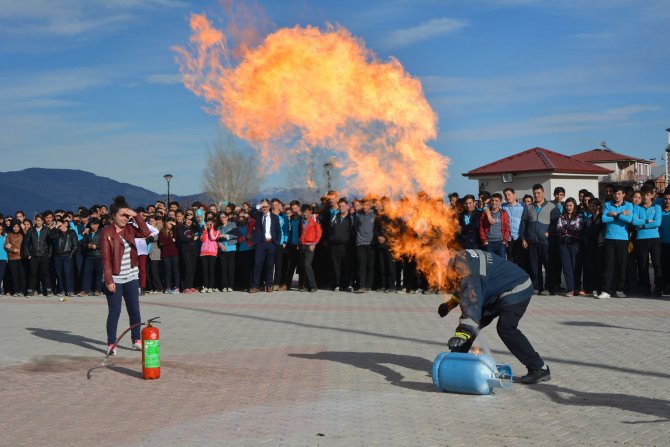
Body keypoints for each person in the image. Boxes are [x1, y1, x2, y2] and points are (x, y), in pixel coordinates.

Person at [439, 249, 550, 384]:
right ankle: (456, 360)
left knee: (506, 328)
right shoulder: (463, 258)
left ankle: (539, 368)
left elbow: (471, 302)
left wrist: (461, 334)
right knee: (474, 324)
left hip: (517, 288)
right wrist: (450, 304)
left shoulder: (469, 270)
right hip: (498, 291)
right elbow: (465, 287)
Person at [101, 196, 151, 355]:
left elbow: (146, 232)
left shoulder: (130, 229)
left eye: (126, 216)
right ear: (113, 216)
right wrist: (109, 280)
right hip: (115, 278)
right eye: (122, 215)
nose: (125, 218)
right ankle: (111, 343)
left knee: (134, 310)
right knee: (115, 311)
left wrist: (135, 215)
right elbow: (106, 259)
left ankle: (136, 339)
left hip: (131, 276)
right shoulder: (106, 233)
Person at [518, 184, 559, 295]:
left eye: (538, 193)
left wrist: (549, 232)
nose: (536, 195)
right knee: (534, 267)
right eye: (535, 193)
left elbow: (556, 223)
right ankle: (537, 287)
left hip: (546, 243)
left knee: (548, 266)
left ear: (543, 193)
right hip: (532, 242)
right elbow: (524, 223)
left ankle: (549, 288)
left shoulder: (551, 206)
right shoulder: (529, 207)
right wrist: (523, 238)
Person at [600, 185, 633, 299]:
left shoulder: (629, 205)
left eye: (619, 193)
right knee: (609, 265)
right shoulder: (608, 204)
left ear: (623, 194)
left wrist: (615, 214)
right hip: (609, 238)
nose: (617, 196)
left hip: (623, 239)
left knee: (622, 265)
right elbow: (604, 219)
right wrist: (618, 215)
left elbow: (629, 220)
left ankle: (620, 289)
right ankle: (607, 290)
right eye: (615, 194)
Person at [632, 185, 662, 296]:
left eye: (647, 195)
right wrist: (647, 221)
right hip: (641, 239)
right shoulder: (636, 208)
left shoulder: (657, 207)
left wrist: (642, 225)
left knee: (657, 264)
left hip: (655, 239)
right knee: (642, 265)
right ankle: (646, 287)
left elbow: (657, 223)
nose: (645, 197)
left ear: (652, 195)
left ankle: (658, 288)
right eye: (643, 195)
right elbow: (634, 222)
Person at [249, 199, 281, 293]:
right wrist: (259, 205)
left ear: (269, 207)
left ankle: (269, 285)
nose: (265, 208)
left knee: (270, 265)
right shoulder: (258, 216)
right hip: (260, 244)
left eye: (266, 206)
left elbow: (278, 231)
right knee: (257, 265)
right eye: (263, 207)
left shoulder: (275, 217)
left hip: (271, 244)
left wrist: (277, 242)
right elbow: (251, 211)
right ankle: (255, 286)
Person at [556, 198, 584, 296]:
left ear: (574, 206)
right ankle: (570, 289)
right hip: (563, 244)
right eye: (567, 205)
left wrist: (566, 228)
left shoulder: (579, 216)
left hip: (574, 243)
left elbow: (578, 228)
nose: (569, 207)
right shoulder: (561, 216)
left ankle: (577, 287)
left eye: (570, 205)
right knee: (567, 267)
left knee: (575, 266)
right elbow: (558, 228)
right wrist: (569, 229)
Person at [23, 214, 53, 296]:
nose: (38, 222)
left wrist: (49, 254)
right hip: (34, 255)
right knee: (33, 273)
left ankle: (48, 290)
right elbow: (26, 243)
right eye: (37, 220)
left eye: (40, 220)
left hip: (44, 255)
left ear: (43, 221)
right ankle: (31, 290)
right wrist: (28, 254)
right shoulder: (31, 229)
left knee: (45, 273)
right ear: (35, 221)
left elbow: (50, 242)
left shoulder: (46, 229)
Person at [329, 198, 354, 292]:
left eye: (343, 206)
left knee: (347, 265)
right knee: (336, 266)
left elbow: (354, 230)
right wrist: (332, 239)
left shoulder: (351, 218)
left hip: (347, 246)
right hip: (335, 246)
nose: (341, 208)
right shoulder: (335, 217)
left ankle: (348, 284)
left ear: (348, 206)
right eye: (340, 206)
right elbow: (330, 230)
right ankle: (338, 284)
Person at [583, 199, 606, 298]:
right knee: (592, 268)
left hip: (600, 245)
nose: (592, 208)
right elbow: (586, 231)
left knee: (600, 268)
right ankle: (595, 288)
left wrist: (590, 230)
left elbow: (598, 229)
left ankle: (602, 288)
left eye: (594, 205)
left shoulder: (602, 217)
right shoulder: (589, 218)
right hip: (590, 246)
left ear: (599, 206)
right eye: (590, 206)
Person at [51, 219, 78, 297]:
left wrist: (70, 255)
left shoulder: (72, 232)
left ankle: (70, 290)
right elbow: (50, 236)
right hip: (57, 256)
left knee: (67, 274)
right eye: (58, 226)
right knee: (59, 274)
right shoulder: (57, 232)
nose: (60, 227)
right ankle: (62, 290)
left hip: (67, 256)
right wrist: (55, 227)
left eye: (61, 225)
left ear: (65, 224)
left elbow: (75, 245)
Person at [299, 204, 322, 292]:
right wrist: (299, 242)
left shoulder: (315, 221)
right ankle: (305, 285)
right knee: (303, 266)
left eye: (306, 212)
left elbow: (319, 233)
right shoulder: (302, 221)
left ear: (310, 212)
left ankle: (313, 286)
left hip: (310, 245)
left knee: (307, 265)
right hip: (302, 245)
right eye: (303, 212)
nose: (304, 214)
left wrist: (314, 244)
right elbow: (302, 233)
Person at [479, 193, 510, 258]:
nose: (494, 202)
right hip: (489, 242)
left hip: (500, 243)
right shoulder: (485, 213)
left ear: (500, 202)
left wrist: (505, 240)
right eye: (492, 200)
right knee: (490, 264)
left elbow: (507, 227)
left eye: (496, 201)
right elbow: (481, 227)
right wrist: (484, 240)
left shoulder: (504, 213)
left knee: (501, 263)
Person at [80, 217, 103, 296]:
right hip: (89, 256)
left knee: (98, 274)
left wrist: (97, 246)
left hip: (99, 256)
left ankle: (98, 290)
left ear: (98, 225)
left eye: (96, 224)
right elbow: (83, 244)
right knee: (87, 273)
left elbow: (105, 244)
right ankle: (85, 290)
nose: (94, 226)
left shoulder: (102, 233)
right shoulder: (87, 233)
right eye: (92, 224)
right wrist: (88, 245)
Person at [158, 218, 180, 294]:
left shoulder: (175, 231)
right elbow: (161, 243)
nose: (171, 225)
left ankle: (176, 287)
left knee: (176, 271)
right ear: (165, 223)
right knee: (167, 271)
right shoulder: (161, 232)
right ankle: (167, 287)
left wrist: (175, 226)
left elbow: (177, 239)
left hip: (174, 254)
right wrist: (171, 240)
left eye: (172, 223)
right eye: (170, 223)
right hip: (166, 255)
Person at [217, 213, 238, 292]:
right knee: (223, 268)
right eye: (220, 217)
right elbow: (217, 239)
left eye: (224, 217)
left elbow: (236, 235)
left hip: (231, 248)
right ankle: (224, 286)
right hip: (222, 249)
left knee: (231, 268)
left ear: (227, 217)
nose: (222, 218)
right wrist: (220, 245)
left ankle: (231, 286)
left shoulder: (232, 224)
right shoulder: (219, 227)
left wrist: (225, 235)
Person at [4, 220, 25, 296]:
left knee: (22, 274)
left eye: (17, 227)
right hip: (12, 257)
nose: (16, 228)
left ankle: (22, 291)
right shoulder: (9, 235)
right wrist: (12, 249)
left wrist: (23, 229)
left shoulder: (22, 234)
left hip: (22, 257)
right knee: (14, 275)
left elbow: (28, 238)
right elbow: (6, 246)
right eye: (14, 227)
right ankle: (16, 291)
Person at [199, 217, 219, 293]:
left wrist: (211, 229)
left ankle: (211, 286)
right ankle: (205, 286)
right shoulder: (204, 232)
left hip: (212, 252)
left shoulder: (216, 231)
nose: (209, 225)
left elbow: (213, 238)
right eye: (207, 224)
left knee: (211, 270)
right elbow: (202, 239)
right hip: (203, 253)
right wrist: (204, 230)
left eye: (210, 224)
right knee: (205, 270)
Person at [0, 224, 7, 295]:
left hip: (3, 259)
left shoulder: (5, 237)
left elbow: (8, 246)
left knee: (1, 275)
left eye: (1, 229)